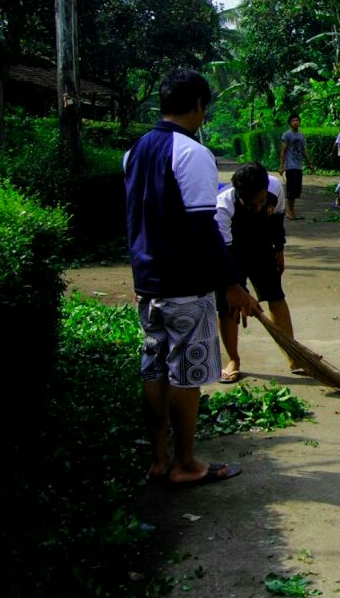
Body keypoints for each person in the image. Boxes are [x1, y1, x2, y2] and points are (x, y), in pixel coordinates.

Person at [124, 68, 259, 487]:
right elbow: (204, 230)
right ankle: (186, 463)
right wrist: (233, 284)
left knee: (155, 371)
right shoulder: (192, 153)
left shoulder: (135, 151)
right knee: (187, 374)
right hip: (184, 286)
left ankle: (160, 460)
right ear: (199, 105)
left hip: (148, 286)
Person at [214, 162, 296, 383]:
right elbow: (225, 253)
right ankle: (233, 360)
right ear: (239, 196)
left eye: (261, 202)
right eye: (251, 204)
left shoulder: (275, 187)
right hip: (232, 253)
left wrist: (279, 249)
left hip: (261, 247)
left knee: (276, 295)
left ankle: (294, 355)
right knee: (227, 306)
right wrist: (237, 290)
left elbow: (277, 221)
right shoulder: (222, 207)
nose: (258, 208)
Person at [279, 113, 309, 220]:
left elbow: (304, 150)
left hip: (298, 166)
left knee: (297, 191)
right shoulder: (287, 135)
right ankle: (290, 213)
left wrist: (309, 163)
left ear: (299, 122)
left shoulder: (301, 136)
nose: (295, 122)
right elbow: (283, 151)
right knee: (291, 190)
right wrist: (282, 166)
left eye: (297, 120)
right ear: (290, 123)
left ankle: (292, 211)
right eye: (293, 121)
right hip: (290, 167)